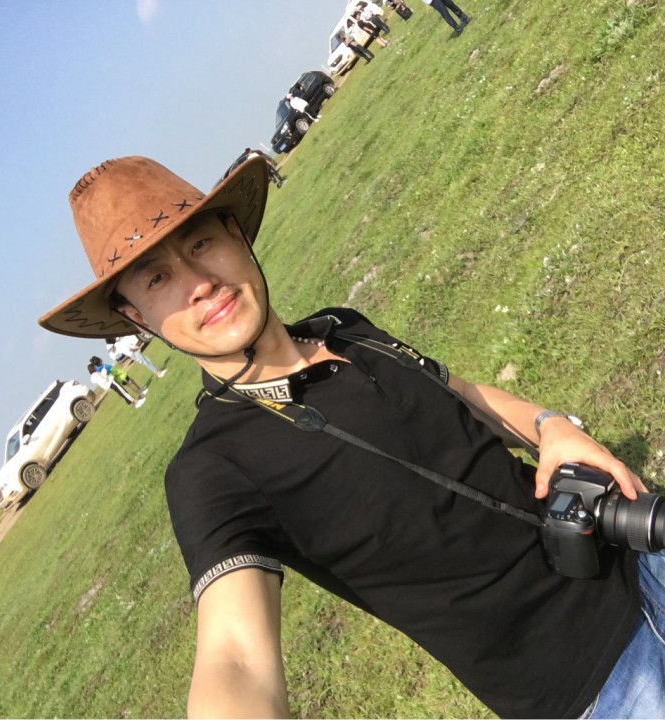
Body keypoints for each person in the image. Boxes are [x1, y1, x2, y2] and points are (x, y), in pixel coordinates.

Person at [39, 155, 665, 719]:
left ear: (235, 234)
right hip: (599, 684)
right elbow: (236, 658)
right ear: (137, 318)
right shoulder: (211, 469)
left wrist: (549, 426)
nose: (197, 281)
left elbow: (464, 396)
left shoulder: (344, 326)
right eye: (156, 279)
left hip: (639, 547)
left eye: (200, 241)